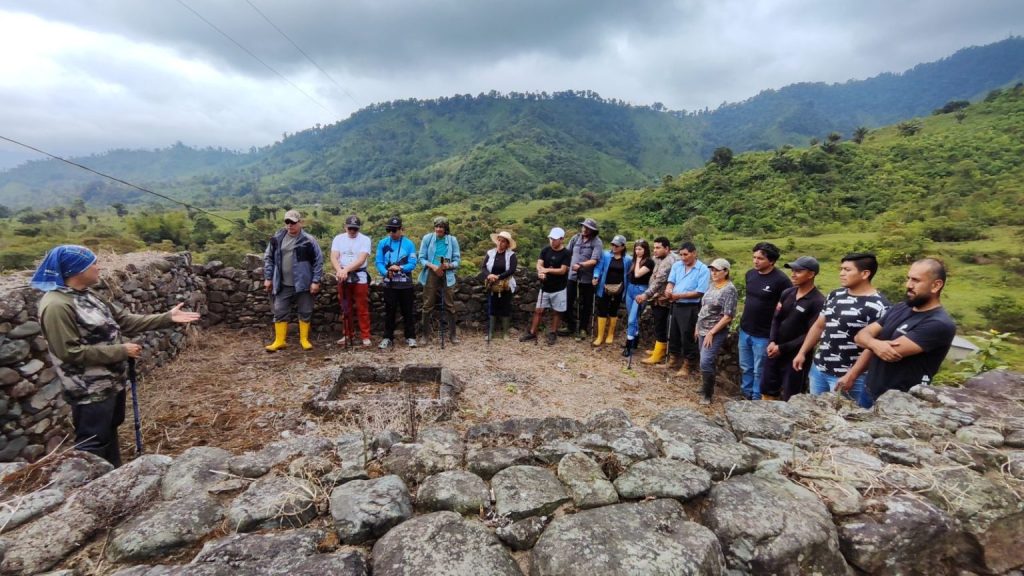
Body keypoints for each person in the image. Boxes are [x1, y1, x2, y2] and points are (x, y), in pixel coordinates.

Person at [33, 245, 200, 466]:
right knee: (93, 441)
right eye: (93, 264)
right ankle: (89, 481)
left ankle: (112, 473)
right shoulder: (57, 305)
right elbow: (68, 352)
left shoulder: (87, 295)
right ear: (76, 270)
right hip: (89, 389)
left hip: (111, 382)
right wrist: (121, 351)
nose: (98, 267)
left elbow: (124, 320)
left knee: (109, 430)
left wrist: (167, 317)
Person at [855, 259, 957, 408]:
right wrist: (874, 343)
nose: (908, 285)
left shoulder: (939, 323)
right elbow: (860, 336)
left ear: (936, 285)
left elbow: (890, 352)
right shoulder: (900, 308)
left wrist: (871, 342)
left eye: (916, 280)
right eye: (908, 278)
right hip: (869, 391)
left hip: (901, 403)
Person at [794, 253, 889, 402]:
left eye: (847, 270)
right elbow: (819, 326)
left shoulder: (879, 306)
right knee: (814, 410)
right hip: (819, 369)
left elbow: (872, 348)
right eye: (841, 269)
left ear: (865, 274)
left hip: (850, 377)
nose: (841, 273)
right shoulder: (835, 295)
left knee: (845, 414)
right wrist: (802, 352)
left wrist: (852, 375)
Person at [761, 256, 825, 401]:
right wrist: (772, 341)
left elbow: (812, 334)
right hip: (774, 350)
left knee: (792, 394)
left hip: (797, 355)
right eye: (793, 271)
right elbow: (776, 319)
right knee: (767, 388)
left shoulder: (818, 301)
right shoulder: (787, 293)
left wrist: (782, 348)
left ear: (811, 274)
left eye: (798, 271)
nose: (793, 274)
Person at [738, 242, 792, 400]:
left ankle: (757, 399)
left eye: (760, 258)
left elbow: (786, 307)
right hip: (745, 329)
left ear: (772, 261)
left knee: (759, 370)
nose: (755, 261)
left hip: (764, 334)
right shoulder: (750, 274)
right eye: (754, 257)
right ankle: (745, 394)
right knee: (745, 366)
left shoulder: (781, 280)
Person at [263, 209, 324, 351]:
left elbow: (318, 261)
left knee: (305, 311)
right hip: (282, 283)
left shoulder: (308, 240)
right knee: (279, 311)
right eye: (287, 222)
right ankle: (279, 341)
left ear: (300, 223)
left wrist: (316, 281)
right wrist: (268, 277)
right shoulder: (277, 238)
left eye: (293, 222)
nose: (290, 225)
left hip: (304, 284)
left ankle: (304, 339)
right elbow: (269, 258)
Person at [695, 258, 738, 405]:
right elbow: (704, 308)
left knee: (705, 361)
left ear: (725, 271)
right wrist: (697, 326)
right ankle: (705, 386)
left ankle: (707, 394)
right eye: (712, 270)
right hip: (703, 328)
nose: (713, 273)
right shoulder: (712, 285)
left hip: (715, 330)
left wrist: (712, 332)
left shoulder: (729, 289)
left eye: (717, 270)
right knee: (705, 360)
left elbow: (728, 316)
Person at [664, 242, 710, 376]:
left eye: (686, 254)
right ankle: (673, 359)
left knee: (687, 335)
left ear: (694, 253)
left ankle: (688, 363)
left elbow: (700, 292)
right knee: (673, 332)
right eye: (681, 255)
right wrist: (668, 290)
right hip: (675, 304)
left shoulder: (702, 269)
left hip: (690, 306)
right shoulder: (677, 265)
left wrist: (678, 295)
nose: (683, 258)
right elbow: (671, 282)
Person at [521, 227, 572, 345]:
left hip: (559, 287)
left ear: (561, 239)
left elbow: (562, 270)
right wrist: (541, 271)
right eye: (551, 239)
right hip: (545, 287)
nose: (552, 241)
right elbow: (539, 264)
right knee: (538, 310)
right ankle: (532, 332)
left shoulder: (566, 253)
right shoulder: (545, 250)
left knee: (557, 312)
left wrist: (547, 270)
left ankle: (553, 333)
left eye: (555, 239)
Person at [375, 216, 417, 349]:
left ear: (401, 229)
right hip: (389, 283)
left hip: (405, 284)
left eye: (394, 230)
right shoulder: (382, 243)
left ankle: (410, 337)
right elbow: (379, 262)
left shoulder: (409, 244)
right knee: (389, 311)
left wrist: (400, 268)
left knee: (408, 311)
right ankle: (387, 337)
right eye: (389, 230)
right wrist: (385, 272)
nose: (392, 233)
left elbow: (413, 263)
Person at [418, 216, 461, 343]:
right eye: (436, 226)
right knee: (427, 304)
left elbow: (457, 260)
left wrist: (449, 265)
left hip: (447, 273)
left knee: (449, 304)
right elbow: (421, 258)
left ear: (446, 228)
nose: (438, 229)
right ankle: (425, 335)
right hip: (431, 272)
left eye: (441, 227)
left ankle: (453, 335)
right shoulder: (427, 238)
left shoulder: (452, 240)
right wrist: (433, 267)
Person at [331, 214, 372, 347]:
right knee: (345, 307)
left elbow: (361, 259)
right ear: (345, 227)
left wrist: (345, 270)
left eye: (355, 228)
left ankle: (365, 335)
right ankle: (347, 334)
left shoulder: (365, 240)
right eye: (350, 228)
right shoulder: (338, 239)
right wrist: (340, 270)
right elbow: (334, 256)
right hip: (342, 276)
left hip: (359, 276)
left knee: (362, 307)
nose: (352, 231)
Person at [638, 237, 678, 365]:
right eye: (654, 247)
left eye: (658, 248)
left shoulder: (669, 261)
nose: (654, 250)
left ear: (667, 248)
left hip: (663, 299)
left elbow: (659, 281)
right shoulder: (659, 258)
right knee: (658, 323)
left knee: (661, 324)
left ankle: (659, 354)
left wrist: (645, 295)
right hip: (656, 297)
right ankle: (658, 348)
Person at [563, 218, 603, 340]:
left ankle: (583, 328)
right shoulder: (575, 238)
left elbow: (594, 260)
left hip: (587, 278)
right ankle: (571, 325)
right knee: (567, 301)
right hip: (572, 276)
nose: (585, 229)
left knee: (586, 304)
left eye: (588, 228)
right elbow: (567, 253)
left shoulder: (597, 242)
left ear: (593, 230)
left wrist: (581, 265)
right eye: (584, 227)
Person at [591, 235, 631, 347]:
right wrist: (595, 277)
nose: (614, 247)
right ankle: (600, 336)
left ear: (623, 246)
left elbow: (628, 275)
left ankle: (610, 334)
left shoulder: (628, 259)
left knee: (614, 310)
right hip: (604, 287)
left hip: (619, 288)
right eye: (612, 244)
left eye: (616, 245)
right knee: (602, 310)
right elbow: (598, 267)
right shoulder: (605, 255)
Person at [482, 230, 519, 340]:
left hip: (506, 284)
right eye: (499, 240)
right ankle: (490, 333)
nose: (500, 243)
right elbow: (483, 267)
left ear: (507, 244)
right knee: (492, 307)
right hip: (492, 284)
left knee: (505, 307)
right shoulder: (490, 253)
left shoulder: (511, 255)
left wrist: (498, 276)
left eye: (503, 241)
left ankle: (505, 333)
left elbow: (512, 270)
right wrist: (489, 275)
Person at [623, 239, 653, 357]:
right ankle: (634, 339)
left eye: (640, 249)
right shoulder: (633, 260)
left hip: (640, 291)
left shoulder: (649, 262)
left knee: (632, 319)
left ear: (645, 250)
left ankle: (628, 345)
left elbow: (637, 274)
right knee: (632, 318)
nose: (637, 251)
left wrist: (638, 261)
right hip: (630, 289)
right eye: (636, 249)